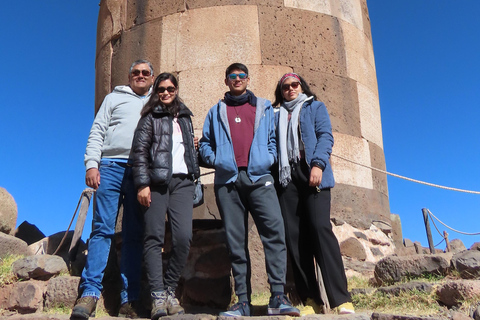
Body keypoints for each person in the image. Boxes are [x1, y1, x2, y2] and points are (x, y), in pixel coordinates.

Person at [199, 63, 300, 317]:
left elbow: (275, 140)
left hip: (259, 178)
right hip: (227, 182)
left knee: (274, 233)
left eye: (241, 75)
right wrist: (218, 160)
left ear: (248, 78)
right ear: (226, 81)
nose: (237, 79)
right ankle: (243, 301)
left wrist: (267, 158)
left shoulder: (265, 107)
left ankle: (277, 296)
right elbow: (205, 145)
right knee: (236, 242)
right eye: (232, 76)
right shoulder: (215, 111)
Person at [71, 60, 154, 320]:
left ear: (152, 78)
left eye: (145, 73)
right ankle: (90, 293)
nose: (140, 76)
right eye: (135, 73)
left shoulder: (157, 102)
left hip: (141, 169)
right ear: (129, 77)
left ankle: (129, 299)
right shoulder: (113, 98)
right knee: (102, 229)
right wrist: (92, 164)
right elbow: (98, 130)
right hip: (110, 165)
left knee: (133, 233)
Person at [272, 73, 355, 315]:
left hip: (312, 169)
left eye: (294, 84)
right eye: (285, 87)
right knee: (295, 237)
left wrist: (318, 164)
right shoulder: (275, 115)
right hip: (287, 175)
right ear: (281, 91)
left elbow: (325, 136)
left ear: (302, 86)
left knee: (320, 230)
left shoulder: (314, 107)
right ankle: (310, 299)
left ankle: (340, 298)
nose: (290, 89)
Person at [131, 72, 200, 320]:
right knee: (154, 237)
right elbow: (139, 152)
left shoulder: (186, 117)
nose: (166, 93)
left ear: (177, 88)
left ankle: (170, 288)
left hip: (183, 182)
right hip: (156, 183)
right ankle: (157, 296)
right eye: (161, 89)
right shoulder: (150, 117)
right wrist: (142, 184)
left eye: (170, 88)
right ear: (156, 91)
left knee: (183, 237)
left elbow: (188, 150)